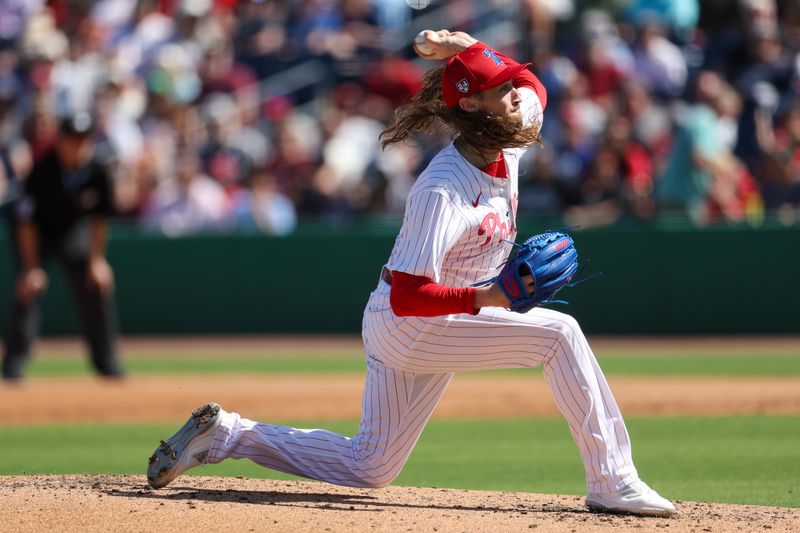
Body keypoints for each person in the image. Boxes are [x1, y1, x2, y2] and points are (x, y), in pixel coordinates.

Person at [146, 30, 676, 518]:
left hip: (427, 320)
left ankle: (223, 436)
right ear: (471, 105)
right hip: (413, 324)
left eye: (511, 83)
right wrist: (491, 295)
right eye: (501, 87)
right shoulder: (441, 188)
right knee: (560, 335)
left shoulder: (508, 131)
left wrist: (466, 47)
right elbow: (408, 294)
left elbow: (533, 82)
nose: (517, 93)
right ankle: (613, 480)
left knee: (370, 466)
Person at [2, 112, 124, 381]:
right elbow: (26, 222)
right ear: (60, 141)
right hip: (37, 235)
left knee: (96, 285)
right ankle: (13, 366)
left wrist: (97, 261)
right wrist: (31, 267)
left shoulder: (97, 170)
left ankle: (108, 365)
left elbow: (100, 219)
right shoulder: (42, 170)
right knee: (27, 289)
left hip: (72, 233)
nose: (78, 145)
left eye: (83, 140)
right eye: (72, 139)